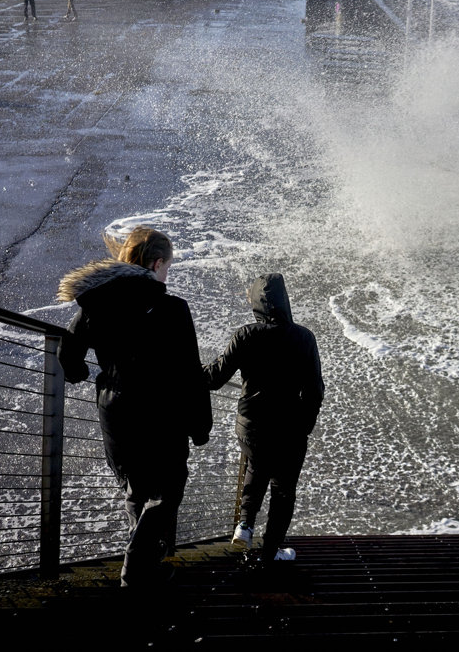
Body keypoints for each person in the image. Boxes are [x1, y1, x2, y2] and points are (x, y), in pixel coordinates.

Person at [56, 226, 212, 588]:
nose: (167, 274)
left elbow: (69, 351)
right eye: (168, 267)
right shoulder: (172, 308)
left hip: (115, 410)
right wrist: (201, 425)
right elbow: (191, 372)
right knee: (168, 489)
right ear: (157, 263)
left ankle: (146, 566)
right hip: (161, 414)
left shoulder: (97, 301)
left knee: (136, 489)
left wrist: (79, 372)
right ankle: (137, 564)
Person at [203, 273, 324, 562]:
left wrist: (184, 369)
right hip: (289, 427)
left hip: (251, 425)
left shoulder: (246, 335)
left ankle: (244, 526)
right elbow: (315, 391)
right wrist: (304, 426)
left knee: (256, 466)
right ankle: (270, 552)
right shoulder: (304, 337)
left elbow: (215, 377)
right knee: (283, 490)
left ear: (257, 302)